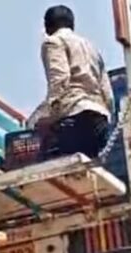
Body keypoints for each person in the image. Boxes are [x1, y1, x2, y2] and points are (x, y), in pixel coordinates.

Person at [29, 5, 114, 160]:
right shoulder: (92, 48)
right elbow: (107, 93)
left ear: (48, 26)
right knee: (87, 168)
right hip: (100, 118)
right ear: (72, 24)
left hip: (76, 115)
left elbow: (60, 80)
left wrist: (46, 116)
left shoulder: (53, 42)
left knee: (50, 160)